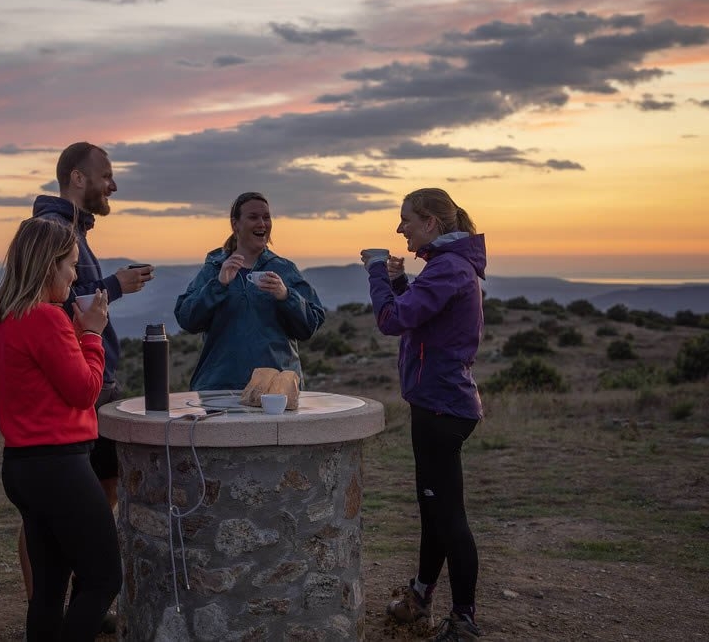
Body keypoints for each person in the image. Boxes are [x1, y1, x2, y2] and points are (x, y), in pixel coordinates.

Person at [28, 141, 152, 628]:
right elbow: (55, 301)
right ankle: (50, 604)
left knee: (106, 481)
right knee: (46, 512)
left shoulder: (73, 228)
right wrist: (116, 285)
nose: (113, 185)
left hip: (99, 378)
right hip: (76, 383)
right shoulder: (53, 230)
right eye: (106, 175)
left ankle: (82, 600)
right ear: (78, 178)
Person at [361, 187, 486, 642]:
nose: (400, 229)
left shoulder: (448, 268)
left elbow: (392, 321)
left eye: (406, 220)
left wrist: (376, 272)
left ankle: (463, 620)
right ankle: (420, 596)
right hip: (439, 402)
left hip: (441, 406)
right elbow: (419, 316)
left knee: (448, 515)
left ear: (430, 223)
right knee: (433, 507)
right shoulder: (447, 267)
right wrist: (398, 283)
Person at [0, 217, 122, 641]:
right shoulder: (46, 319)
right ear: (49, 265)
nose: (73, 275)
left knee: (47, 591)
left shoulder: (4, 320)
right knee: (103, 579)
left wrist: (78, 333)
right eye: (70, 265)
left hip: (22, 467)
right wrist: (93, 335)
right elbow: (84, 390)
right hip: (59, 466)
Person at [174, 191, 325, 391]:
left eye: (266, 217)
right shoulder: (215, 268)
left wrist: (286, 296)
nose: (262, 223)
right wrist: (218, 286)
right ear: (235, 224)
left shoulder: (284, 269)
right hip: (219, 390)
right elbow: (187, 318)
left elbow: (310, 324)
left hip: (275, 391)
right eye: (253, 217)